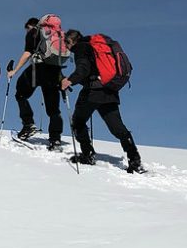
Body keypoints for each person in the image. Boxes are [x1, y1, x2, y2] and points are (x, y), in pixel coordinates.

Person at [60, 29, 145, 173]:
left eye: (66, 44)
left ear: (71, 41)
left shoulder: (81, 48)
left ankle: (88, 154)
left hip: (93, 92)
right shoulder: (93, 46)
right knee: (117, 128)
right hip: (109, 90)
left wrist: (69, 80)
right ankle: (134, 159)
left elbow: (83, 69)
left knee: (78, 121)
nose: (66, 48)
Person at [7, 17, 64, 150]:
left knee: (20, 93)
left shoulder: (33, 32)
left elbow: (28, 53)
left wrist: (14, 71)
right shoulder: (56, 35)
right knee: (54, 109)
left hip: (37, 69)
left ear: (30, 26)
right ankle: (55, 139)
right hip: (54, 72)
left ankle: (28, 124)